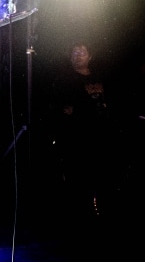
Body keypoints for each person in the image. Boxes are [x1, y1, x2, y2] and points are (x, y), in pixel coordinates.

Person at [46, 41, 125, 245]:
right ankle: (79, 226)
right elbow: (61, 110)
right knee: (79, 184)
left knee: (102, 182)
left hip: (101, 139)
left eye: (82, 52)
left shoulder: (99, 77)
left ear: (90, 56)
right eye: (75, 52)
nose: (78, 56)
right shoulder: (64, 80)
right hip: (78, 141)